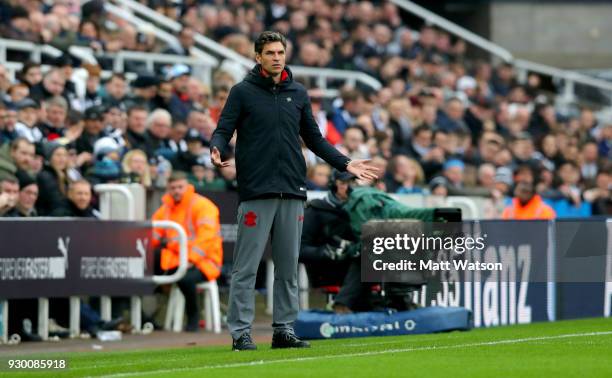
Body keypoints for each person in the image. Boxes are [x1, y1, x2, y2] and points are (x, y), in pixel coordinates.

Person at [210, 31, 378, 351]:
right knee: (246, 267)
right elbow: (223, 130)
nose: (276, 57)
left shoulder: (298, 92)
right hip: (257, 191)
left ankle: (284, 330)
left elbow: (315, 139)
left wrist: (346, 163)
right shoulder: (242, 92)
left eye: (280, 52)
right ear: (257, 57)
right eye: (270, 52)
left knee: (288, 267)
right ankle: (241, 332)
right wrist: (216, 149)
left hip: (292, 189)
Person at [151, 171, 223, 332]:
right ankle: (144, 318)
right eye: (173, 187)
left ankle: (194, 319)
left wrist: (191, 259)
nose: (177, 191)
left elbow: (207, 237)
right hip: (177, 260)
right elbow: (152, 234)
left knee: (185, 279)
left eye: (180, 187)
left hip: (206, 261)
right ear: (168, 189)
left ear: (188, 186)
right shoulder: (166, 208)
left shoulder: (203, 205)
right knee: (146, 263)